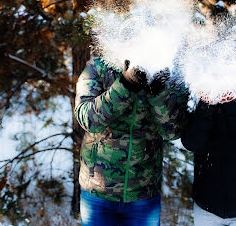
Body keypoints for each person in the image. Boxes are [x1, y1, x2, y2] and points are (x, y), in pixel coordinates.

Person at [75, 57, 185, 226]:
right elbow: (88, 120)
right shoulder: (99, 66)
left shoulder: (167, 70)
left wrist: (158, 92)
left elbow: (173, 131)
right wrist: (125, 85)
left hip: (143, 195)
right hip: (98, 192)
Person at [181, 75, 236, 226]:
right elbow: (191, 143)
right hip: (207, 205)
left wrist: (231, 103)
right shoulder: (196, 93)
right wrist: (205, 105)